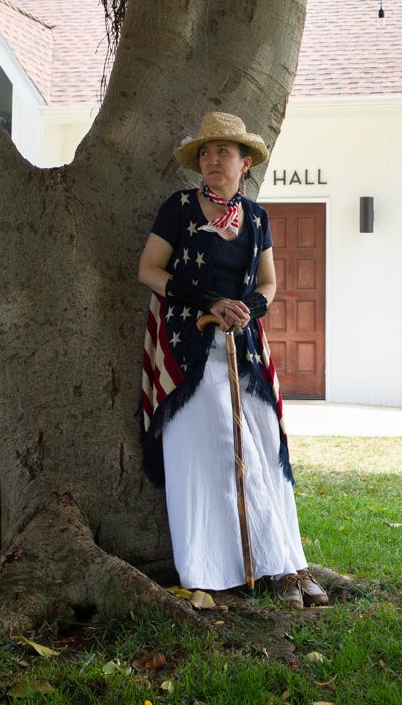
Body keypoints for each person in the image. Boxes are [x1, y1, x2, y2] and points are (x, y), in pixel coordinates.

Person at [137, 111, 328, 609]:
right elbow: (148, 270)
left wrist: (248, 309)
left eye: (224, 151)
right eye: (206, 152)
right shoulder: (178, 209)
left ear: (245, 163)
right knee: (215, 450)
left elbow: (268, 283)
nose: (212, 159)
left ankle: (286, 564)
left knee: (264, 446)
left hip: (244, 351)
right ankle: (213, 569)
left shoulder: (257, 218)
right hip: (188, 351)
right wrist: (208, 303)